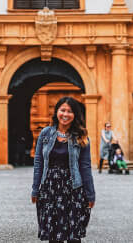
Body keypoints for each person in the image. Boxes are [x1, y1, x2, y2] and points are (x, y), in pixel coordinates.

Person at [31, 96, 95, 242]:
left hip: (73, 188)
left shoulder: (81, 136)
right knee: (54, 235)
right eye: (63, 110)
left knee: (74, 235)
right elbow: (38, 163)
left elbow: (85, 167)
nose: (65, 114)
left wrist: (90, 194)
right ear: (57, 112)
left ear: (75, 115)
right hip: (50, 189)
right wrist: (35, 189)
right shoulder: (45, 133)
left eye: (70, 111)